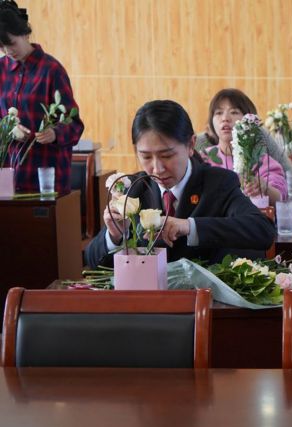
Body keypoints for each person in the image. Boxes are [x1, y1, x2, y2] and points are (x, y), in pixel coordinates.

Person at [85, 100, 276, 269]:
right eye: (146, 157)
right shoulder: (134, 189)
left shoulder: (218, 183)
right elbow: (92, 260)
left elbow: (262, 230)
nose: (157, 168)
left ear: (191, 145)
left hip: (203, 295)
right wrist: (115, 235)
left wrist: (189, 226)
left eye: (167, 155)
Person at [0, 0, 84, 193]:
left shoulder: (51, 70)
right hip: (7, 178)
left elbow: (75, 125)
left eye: (11, 43)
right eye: (2, 47)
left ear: (25, 33)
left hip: (45, 179)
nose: (8, 51)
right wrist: (7, 128)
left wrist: (54, 134)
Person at [201, 88, 287, 205]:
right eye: (219, 113)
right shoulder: (203, 158)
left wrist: (265, 188)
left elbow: (280, 197)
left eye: (234, 112)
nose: (225, 118)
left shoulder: (262, 161)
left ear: (249, 121)